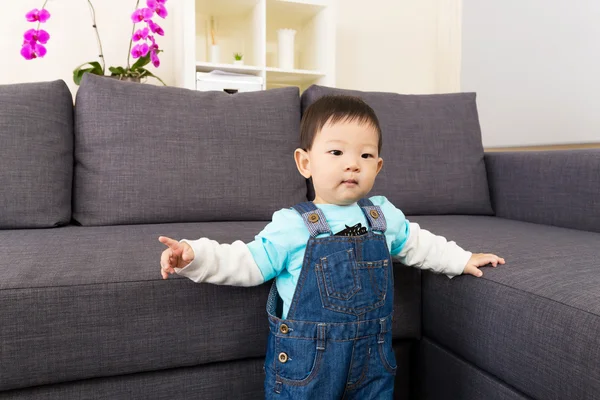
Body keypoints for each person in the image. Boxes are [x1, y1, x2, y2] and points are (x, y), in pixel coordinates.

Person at [158, 95, 505, 399]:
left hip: (373, 360)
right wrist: (196, 256)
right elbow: (248, 261)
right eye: (337, 151)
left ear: (378, 167)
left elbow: (417, 244)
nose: (352, 163)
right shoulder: (293, 224)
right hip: (308, 366)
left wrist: (461, 259)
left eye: (366, 155)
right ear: (305, 162)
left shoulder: (381, 214)